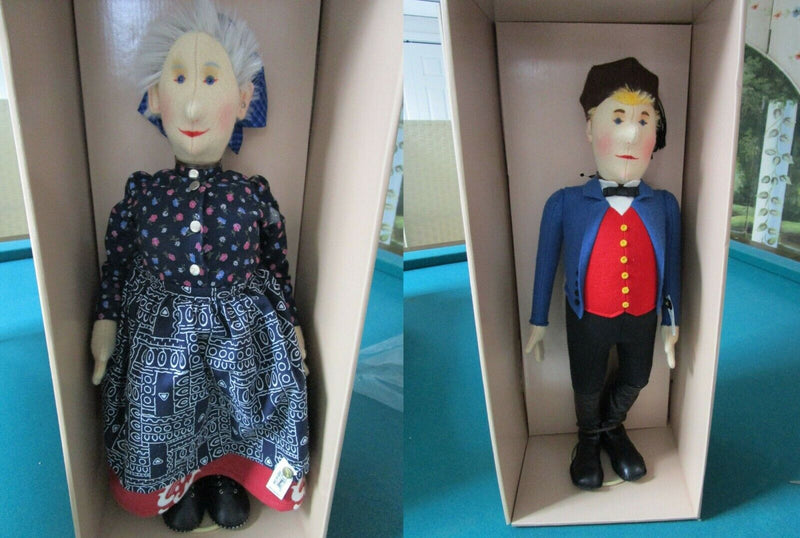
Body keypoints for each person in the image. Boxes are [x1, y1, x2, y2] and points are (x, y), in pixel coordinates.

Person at [89, 0, 308, 531]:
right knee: (165, 415)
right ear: (155, 98)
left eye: (210, 81)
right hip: (161, 343)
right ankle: (178, 482)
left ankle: (225, 477)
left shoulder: (252, 195)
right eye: (180, 81)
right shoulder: (142, 195)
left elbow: (275, 267)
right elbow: (117, 264)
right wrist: (106, 320)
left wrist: (293, 325)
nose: (191, 108)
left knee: (240, 410)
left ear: (242, 99)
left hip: (242, 340)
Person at [526, 57, 680, 490]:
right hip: (588, 318)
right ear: (590, 128)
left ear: (655, 134)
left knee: (638, 376)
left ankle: (612, 427)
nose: (632, 133)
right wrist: (538, 320)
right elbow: (544, 266)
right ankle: (589, 438)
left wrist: (671, 320)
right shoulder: (564, 202)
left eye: (644, 120)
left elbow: (673, 268)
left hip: (643, 317)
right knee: (587, 381)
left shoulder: (665, 205)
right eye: (618, 118)